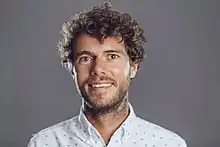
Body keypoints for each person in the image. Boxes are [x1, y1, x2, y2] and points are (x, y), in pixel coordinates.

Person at [27, 2, 187, 147]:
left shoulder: (169, 144)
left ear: (134, 67)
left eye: (112, 56)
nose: (98, 69)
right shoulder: (44, 143)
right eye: (86, 58)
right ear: (71, 68)